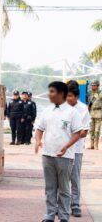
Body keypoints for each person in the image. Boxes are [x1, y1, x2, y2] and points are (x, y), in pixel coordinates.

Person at [35, 81, 84, 222]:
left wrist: (66, 147)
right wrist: (38, 141)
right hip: (47, 155)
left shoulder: (72, 112)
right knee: (50, 188)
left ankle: (63, 217)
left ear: (61, 94)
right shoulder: (47, 111)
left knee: (64, 189)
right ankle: (49, 215)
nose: (49, 94)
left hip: (65, 156)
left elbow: (77, 132)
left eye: (52, 91)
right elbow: (39, 129)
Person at [66, 81, 90, 218]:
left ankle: (75, 204)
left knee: (75, 178)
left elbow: (84, 132)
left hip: (76, 150)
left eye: (69, 96)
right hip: (62, 150)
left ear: (76, 96)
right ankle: (62, 204)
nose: (67, 99)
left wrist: (69, 136)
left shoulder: (83, 109)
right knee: (62, 179)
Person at [87, 80, 102, 150]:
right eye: (92, 85)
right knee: (91, 130)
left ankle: (96, 145)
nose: (92, 86)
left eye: (94, 85)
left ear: (97, 86)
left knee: (97, 130)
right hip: (91, 113)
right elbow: (88, 103)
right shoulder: (89, 93)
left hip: (99, 113)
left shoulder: (100, 93)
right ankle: (91, 144)